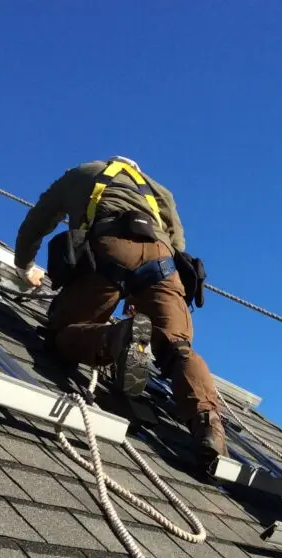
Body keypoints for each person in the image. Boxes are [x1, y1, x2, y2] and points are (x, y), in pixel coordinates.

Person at [13, 156, 227, 473]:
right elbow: (178, 243)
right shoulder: (159, 190)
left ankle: (119, 338)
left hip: (107, 249)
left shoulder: (81, 174)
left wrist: (24, 266)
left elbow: (39, 220)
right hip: (162, 261)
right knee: (176, 346)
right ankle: (209, 426)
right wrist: (141, 294)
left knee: (63, 334)